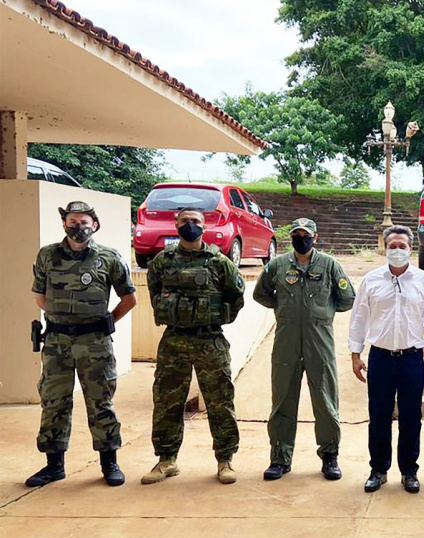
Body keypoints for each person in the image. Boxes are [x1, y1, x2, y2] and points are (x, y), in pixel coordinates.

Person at [26, 201, 137, 488]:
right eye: (73, 222)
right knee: (54, 402)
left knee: (101, 402)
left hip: (95, 342)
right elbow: (40, 295)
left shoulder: (109, 257)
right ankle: (54, 465)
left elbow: (129, 299)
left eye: (84, 222)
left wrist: (106, 321)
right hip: (57, 342)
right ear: (64, 224)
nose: (78, 227)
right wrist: (63, 316)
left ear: (94, 225)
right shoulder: (47, 255)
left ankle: (109, 462)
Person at [141, 207, 245, 485]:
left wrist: (215, 318)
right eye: (185, 221)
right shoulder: (162, 262)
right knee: (167, 401)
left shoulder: (219, 262)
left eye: (195, 221)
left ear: (204, 226)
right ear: (176, 225)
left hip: (210, 340)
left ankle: (225, 460)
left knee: (220, 400)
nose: (190, 225)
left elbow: (236, 295)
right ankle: (166, 460)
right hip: (174, 340)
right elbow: (154, 291)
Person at [253, 217, 355, 481]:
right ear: (291, 238)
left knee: (325, 399)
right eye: (297, 235)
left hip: (319, 340)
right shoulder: (277, 265)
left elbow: (347, 299)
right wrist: (284, 309)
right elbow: (260, 293)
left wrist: (322, 313)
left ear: (315, 237)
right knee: (283, 398)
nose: (301, 239)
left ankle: (330, 456)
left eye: (306, 235)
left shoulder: (329, 265)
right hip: (286, 339)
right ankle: (280, 458)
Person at [349, 225, 424, 493]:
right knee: (379, 416)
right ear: (385, 248)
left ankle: (409, 471)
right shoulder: (371, 280)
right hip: (380, 358)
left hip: (411, 358)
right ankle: (378, 470)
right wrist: (355, 355)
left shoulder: (423, 280)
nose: (397, 250)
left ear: (411, 249)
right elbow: (359, 318)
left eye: (402, 246)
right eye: (393, 246)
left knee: (411, 417)